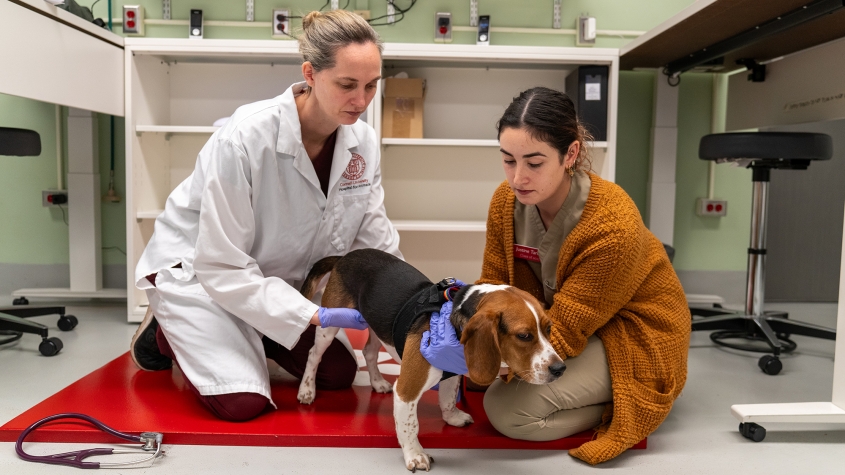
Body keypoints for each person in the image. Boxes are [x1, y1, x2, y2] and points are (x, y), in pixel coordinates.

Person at [129, 10, 399, 422]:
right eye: (347, 85)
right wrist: (312, 315)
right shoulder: (246, 137)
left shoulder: (363, 141)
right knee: (242, 403)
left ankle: (259, 332)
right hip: (203, 278)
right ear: (310, 73)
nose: (361, 101)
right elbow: (221, 263)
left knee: (338, 375)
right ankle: (165, 331)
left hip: (275, 285)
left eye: (371, 86)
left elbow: (374, 236)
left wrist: (402, 296)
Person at [423, 86, 690, 465]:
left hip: (632, 333)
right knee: (476, 378)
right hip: (559, 327)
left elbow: (567, 328)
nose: (518, 178)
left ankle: (629, 397)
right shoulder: (505, 202)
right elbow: (493, 288)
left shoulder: (612, 224)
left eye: (534, 163)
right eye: (508, 160)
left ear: (571, 154)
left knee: (506, 410)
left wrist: (484, 361)